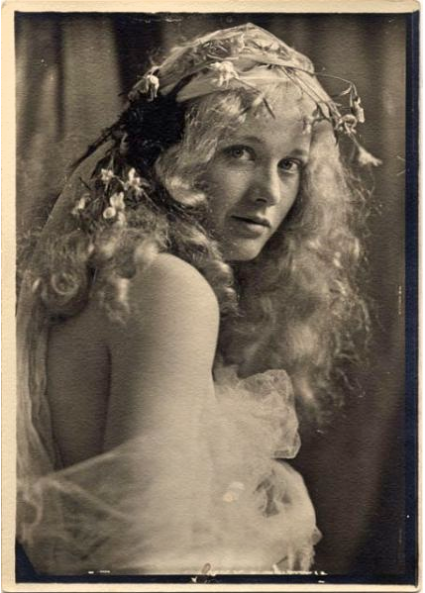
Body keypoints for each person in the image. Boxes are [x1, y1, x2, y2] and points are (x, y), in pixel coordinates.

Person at [16, 23, 378, 576]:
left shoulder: (120, 276)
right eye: (239, 152)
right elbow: (150, 566)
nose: (270, 192)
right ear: (177, 156)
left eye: (290, 164)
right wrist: (288, 529)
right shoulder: (170, 288)